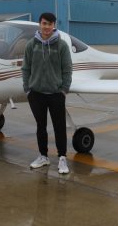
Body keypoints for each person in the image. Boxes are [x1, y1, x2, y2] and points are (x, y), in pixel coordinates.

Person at [22, 12, 73, 174]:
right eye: (44, 23)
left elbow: (67, 70)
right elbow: (26, 68)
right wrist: (28, 88)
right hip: (36, 93)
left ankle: (62, 158)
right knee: (40, 126)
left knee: (59, 127)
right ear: (39, 24)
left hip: (56, 93)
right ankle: (43, 156)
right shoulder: (31, 45)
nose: (46, 27)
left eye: (50, 24)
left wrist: (64, 89)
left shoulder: (62, 46)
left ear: (54, 25)